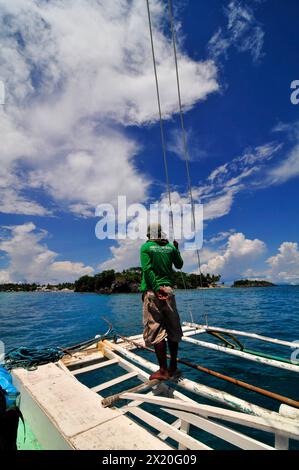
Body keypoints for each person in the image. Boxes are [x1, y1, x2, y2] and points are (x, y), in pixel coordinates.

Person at [140, 223, 184, 380]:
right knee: (173, 330)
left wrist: (156, 287)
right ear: (160, 233)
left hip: (154, 292)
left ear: (148, 235)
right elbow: (179, 265)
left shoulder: (146, 248)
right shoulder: (171, 248)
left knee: (157, 330)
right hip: (169, 292)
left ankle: (163, 371)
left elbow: (147, 269)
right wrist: (177, 249)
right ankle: (173, 366)